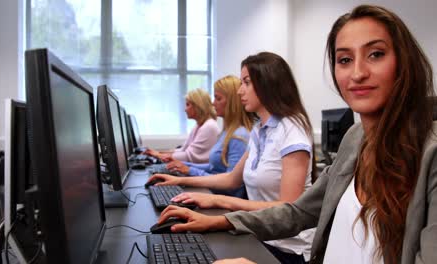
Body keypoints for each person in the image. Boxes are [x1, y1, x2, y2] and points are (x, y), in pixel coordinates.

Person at [154, 4, 437, 264]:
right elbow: (299, 211)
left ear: (404, 64)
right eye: (344, 60)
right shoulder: (355, 138)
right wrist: (219, 221)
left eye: (376, 54)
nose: (358, 73)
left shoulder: (431, 154)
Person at [148, 52, 317, 264]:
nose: (239, 90)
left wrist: (217, 200)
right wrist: (181, 181)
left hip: (288, 250)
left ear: (267, 84)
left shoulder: (293, 129)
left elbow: (287, 209)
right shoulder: (260, 129)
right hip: (260, 236)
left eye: (246, 82)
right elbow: (231, 179)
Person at [165, 75, 255, 198]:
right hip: (215, 194)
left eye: (218, 98)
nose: (213, 103)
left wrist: (190, 171)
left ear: (232, 103)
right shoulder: (227, 132)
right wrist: (186, 166)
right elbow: (214, 168)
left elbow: (233, 187)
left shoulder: (239, 136)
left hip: (225, 203)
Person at [145, 88, 220, 163]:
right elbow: (183, 150)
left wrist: (158, 155)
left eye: (188, 105)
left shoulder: (209, 126)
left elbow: (188, 157)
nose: (185, 109)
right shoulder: (199, 125)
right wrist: (158, 153)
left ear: (198, 106)